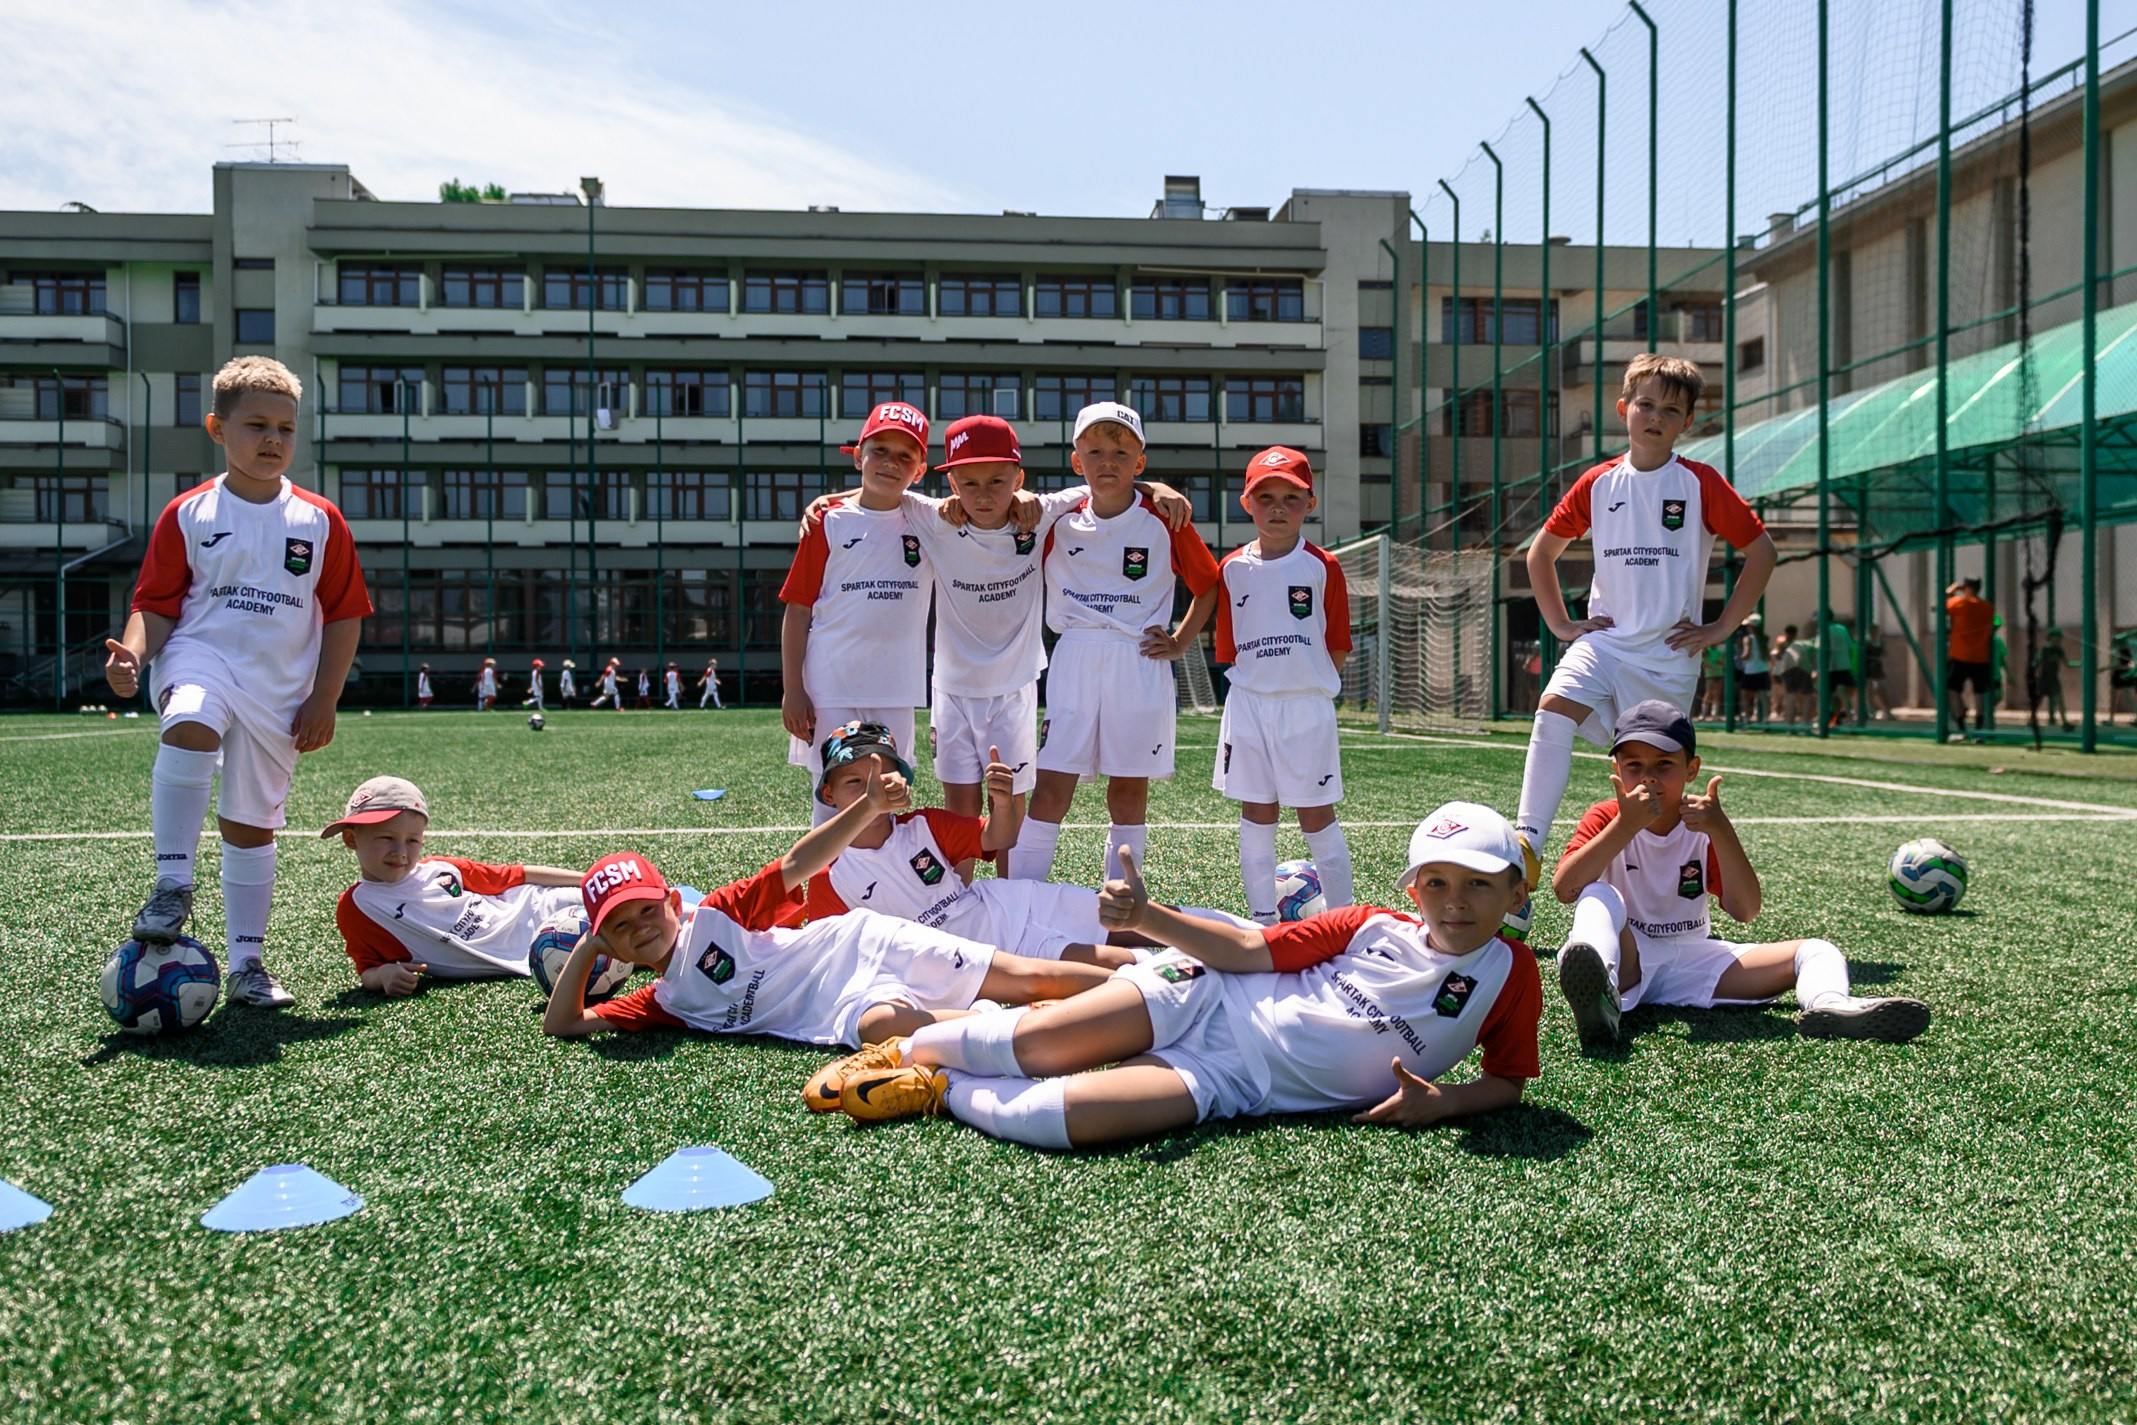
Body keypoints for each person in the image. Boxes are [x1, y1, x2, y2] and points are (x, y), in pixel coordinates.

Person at [818, 803, 1542, 1150]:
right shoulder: (1366, 923)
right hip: (1203, 989)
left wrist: (1443, 1101)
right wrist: (1147, 916)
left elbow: (1508, 1079)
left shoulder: (1509, 976)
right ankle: (909, 1048)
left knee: (1055, 1121)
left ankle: (936, 1084)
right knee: (1034, 1046)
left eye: (1478, 885)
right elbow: (1243, 950)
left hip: (1235, 1081)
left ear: (1514, 895)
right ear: (1413, 888)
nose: (1455, 901)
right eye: (1438, 882)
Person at [101, 355, 372, 1009]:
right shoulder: (189, 512)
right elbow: (158, 604)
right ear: (217, 428)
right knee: (189, 719)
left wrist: (324, 696)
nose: (273, 439)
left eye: (285, 427)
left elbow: (344, 615)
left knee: (249, 828)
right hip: (202, 657)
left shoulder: (320, 521)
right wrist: (133, 654)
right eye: (256, 425)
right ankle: (172, 883)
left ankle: (248, 963)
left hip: (279, 695)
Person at [539, 760, 1118, 1057]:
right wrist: (590, 945)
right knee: (883, 1030)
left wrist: (865, 808)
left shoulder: (718, 913)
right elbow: (564, 1024)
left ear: (671, 901)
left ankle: (1144, 985)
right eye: (619, 926)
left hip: (861, 945)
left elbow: (798, 862)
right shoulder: (664, 1000)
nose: (638, 929)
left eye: (644, 910)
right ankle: (1050, 1023)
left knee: (1025, 975)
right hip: (835, 1008)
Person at [813, 413, 1192, 843]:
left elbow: (1107, 480)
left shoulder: (1042, 513)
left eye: (998, 481)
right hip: (952, 690)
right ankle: (959, 899)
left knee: (1008, 804)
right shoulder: (934, 517)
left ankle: (1013, 898)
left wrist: (1154, 488)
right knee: (961, 811)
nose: (984, 494)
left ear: (1018, 477)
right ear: (952, 485)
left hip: (1014, 689)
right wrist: (829, 499)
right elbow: (883, 490)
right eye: (970, 483)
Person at [1512, 355, 1775, 892]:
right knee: (1553, 709)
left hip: (1668, 659)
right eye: (1646, 405)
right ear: (1623, 409)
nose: (1655, 417)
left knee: (1653, 792)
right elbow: (1540, 555)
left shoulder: (1701, 483)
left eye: (1670, 410)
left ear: (1686, 423)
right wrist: (1564, 625)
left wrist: (1721, 628)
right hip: (1605, 645)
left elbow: (1762, 552)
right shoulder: (1598, 482)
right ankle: (1527, 848)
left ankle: (1657, 902)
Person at [1552, 700, 1930, 1050]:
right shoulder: (1605, 817)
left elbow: (1745, 910)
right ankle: (1601, 994)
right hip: (1628, 957)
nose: (1648, 778)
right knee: (1598, 895)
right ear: (1617, 770)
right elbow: (1565, 888)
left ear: (1692, 770)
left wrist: (1721, 830)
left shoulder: (1702, 823)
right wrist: (1624, 827)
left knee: (1818, 950)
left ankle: (1830, 1005)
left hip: (1692, 957)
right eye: (1634, 765)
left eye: (1663, 765)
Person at [1006, 402, 1222, 884]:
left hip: (1138, 660)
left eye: (1121, 453)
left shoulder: (1165, 518)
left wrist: (1183, 640)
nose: (1108, 462)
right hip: (1075, 657)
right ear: (1076, 459)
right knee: (1051, 788)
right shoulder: (1054, 518)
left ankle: (1120, 905)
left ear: (1139, 463)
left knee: (1127, 791)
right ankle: (1021, 897)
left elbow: (1208, 584)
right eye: (1096, 451)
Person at [802, 721, 1140, 973]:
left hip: (1007, 905)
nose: (870, 791)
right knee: (1124, 965)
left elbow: (999, 838)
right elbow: (831, 960)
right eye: (854, 782)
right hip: (989, 954)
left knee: (1141, 920)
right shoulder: (829, 875)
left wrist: (1003, 802)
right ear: (829, 794)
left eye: (881, 779)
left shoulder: (923, 825)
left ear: (901, 780)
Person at [1211, 447, 1355, 923]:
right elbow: (1229, 648)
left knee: (1316, 815)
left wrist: (1305, 682)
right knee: (1257, 811)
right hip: (1249, 706)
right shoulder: (1231, 568)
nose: (1278, 507)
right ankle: (1263, 923)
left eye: (1290, 498)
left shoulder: (1323, 567)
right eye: (1265, 496)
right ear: (1246, 503)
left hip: (1304, 709)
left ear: (1310, 504)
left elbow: (1335, 642)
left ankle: (1342, 922)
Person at [781, 401, 935, 825]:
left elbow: (983, 503)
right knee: (831, 790)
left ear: (920, 470)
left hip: (896, 685)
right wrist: (793, 688)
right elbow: (798, 611)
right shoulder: (827, 521)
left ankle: (886, 886)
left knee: (891, 791)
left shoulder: (929, 520)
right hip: (831, 683)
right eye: (880, 450)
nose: (891, 463)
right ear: (858, 456)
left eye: (906, 456)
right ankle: (825, 885)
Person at [325, 776, 583, 995]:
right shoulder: (360, 907)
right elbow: (367, 969)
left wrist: (588, 880)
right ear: (351, 839)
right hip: (541, 950)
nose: (401, 852)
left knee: (615, 899)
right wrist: (383, 975)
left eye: (412, 841)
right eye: (386, 838)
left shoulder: (441, 868)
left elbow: (518, 875)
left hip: (539, 907)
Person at [1944, 577, 1995, 737]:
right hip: (1981, 656)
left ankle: (1961, 726)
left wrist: (1952, 590)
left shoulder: (1958, 603)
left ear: (1965, 587)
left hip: (1960, 655)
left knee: (1953, 689)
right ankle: (1979, 728)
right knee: (1979, 692)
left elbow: (1943, 604)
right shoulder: (1987, 607)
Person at [2031, 627, 2073, 730]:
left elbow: (2067, 663)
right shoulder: (2045, 649)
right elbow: (2037, 662)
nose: (2059, 640)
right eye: (2056, 638)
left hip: (2054, 678)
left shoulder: (2059, 650)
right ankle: (2032, 722)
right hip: (2044, 679)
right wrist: (2035, 671)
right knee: (2038, 700)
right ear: (2050, 638)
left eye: (2060, 638)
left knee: (2059, 699)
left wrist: (2081, 663)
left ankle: (2065, 723)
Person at [1733, 614, 1771, 726]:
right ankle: (1765, 719)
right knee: (1763, 696)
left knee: (1744, 695)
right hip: (1762, 670)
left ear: (1751, 626)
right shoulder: (1763, 638)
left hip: (1751, 671)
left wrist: (1739, 657)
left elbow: (1746, 654)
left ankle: (1746, 717)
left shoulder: (1747, 638)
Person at [1822, 615, 1857, 729]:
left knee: (1828, 695)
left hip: (1830, 668)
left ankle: (1836, 717)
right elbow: (1850, 645)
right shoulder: (1841, 628)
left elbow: (1823, 649)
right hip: (1844, 665)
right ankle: (1845, 718)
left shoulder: (1823, 629)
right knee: (1847, 693)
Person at [1773, 625, 1812, 726]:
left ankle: (1790, 725)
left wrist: (1777, 674)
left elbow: (1779, 660)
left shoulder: (1782, 645)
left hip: (1788, 671)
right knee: (1806, 696)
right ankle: (1805, 723)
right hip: (1803, 670)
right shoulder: (1801, 645)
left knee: (1790, 697)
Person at [1861, 625, 1892, 721]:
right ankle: (1871, 710)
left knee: (1877, 690)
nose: (1874, 633)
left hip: (1875, 670)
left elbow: (1885, 653)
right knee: (1869, 691)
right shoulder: (1867, 642)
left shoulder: (1878, 643)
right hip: (1869, 669)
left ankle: (1884, 709)